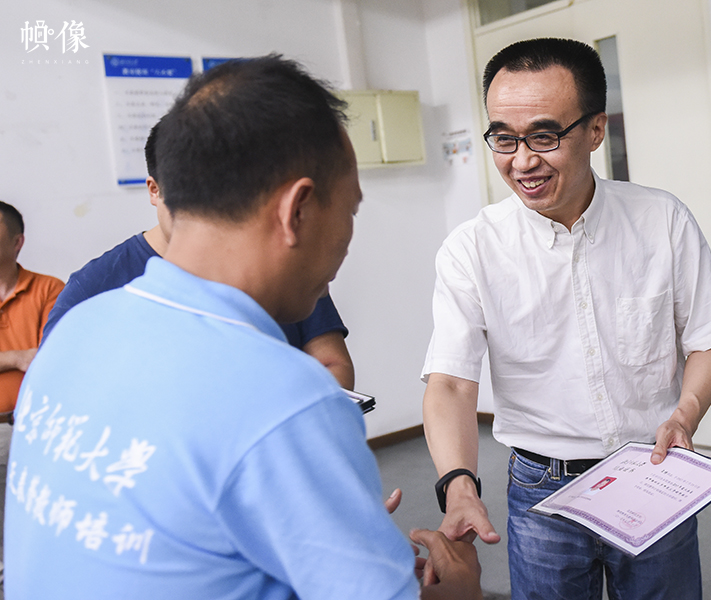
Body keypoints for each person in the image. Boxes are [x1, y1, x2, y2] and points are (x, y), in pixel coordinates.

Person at [5, 55, 481, 600]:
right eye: (350, 211)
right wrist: (460, 589)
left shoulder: (76, 330)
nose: (347, 240)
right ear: (297, 210)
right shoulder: (284, 396)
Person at [421, 38, 711, 600]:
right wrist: (459, 485)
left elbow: (709, 339)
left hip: (652, 470)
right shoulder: (471, 249)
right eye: (504, 137)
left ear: (595, 130)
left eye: (544, 136)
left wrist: (685, 414)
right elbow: (450, 382)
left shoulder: (661, 219)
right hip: (540, 489)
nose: (522, 160)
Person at [43, 123, 355, 389]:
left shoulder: (276, 262)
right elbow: (57, 390)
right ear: (154, 190)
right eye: (190, 198)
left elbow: (332, 363)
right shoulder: (93, 288)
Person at [0, 201, 64, 419]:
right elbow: (28, 358)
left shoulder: (49, 289)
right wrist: (16, 358)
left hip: (37, 419)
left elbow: (50, 359)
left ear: (17, 242)